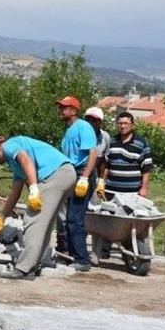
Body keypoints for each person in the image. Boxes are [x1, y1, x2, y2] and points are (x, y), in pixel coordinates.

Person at [0, 135, 75, 280]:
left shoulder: (8, 145)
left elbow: (26, 160)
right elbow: (16, 191)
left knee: (32, 221)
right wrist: (3, 215)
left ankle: (24, 269)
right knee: (43, 224)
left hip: (55, 174)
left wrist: (33, 189)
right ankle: (33, 265)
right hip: (66, 174)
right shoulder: (15, 163)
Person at [55, 95, 97, 271]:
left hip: (82, 175)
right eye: (60, 107)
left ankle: (82, 260)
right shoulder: (68, 130)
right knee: (68, 219)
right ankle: (73, 255)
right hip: (72, 174)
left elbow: (92, 154)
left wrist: (85, 178)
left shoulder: (83, 127)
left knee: (74, 218)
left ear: (74, 111)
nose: (61, 110)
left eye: (64, 107)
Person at [100, 112, 153, 199]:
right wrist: (102, 183)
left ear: (132, 125)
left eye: (126, 123)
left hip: (132, 193)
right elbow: (106, 165)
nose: (122, 126)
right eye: (120, 123)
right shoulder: (112, 141)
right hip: (110, 191)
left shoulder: (141, 143)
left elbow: (146, 169)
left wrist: (144, 188)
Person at [83, 106, 111, 202]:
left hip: (93, 177)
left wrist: (101, 181)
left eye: (94, 120)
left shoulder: (105, 137)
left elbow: (102, 160)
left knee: (93, 206)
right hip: (78, 174)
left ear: (100, 122)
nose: (90, 123)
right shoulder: (79, 134)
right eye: (88, 119)